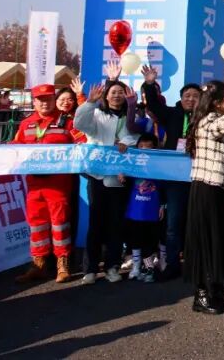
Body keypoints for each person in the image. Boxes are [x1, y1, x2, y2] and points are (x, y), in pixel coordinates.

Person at [183, 80, 224, 314]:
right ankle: (201, 295)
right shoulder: (208, 121)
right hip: (206, 189)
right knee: (205, 241)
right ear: (217, 103)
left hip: (219, 188)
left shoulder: (216, 121)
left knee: (218, 240)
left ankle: (216, 290)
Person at [74, 65, 141, 285]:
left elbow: (134, 136)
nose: (117, 95)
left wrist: (125, 142)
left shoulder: (129, 117)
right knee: (95, 224)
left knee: (115, 224)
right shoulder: (96, 113)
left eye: (121, 92)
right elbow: (79, 124)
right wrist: (89, 102)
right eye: (113, 92)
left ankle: (112, 266)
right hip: (97, 176)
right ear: (106, 95)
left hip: (119, 177)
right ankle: (91, 269)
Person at [140, 64, 204, 280]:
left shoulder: (205, 118)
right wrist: (150, 84)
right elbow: (153, 106)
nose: (191, 99)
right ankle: (173, 264)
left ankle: (196, 264)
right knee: (173, 223)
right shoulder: (172, 114)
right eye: (187, 96)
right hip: (175, 178)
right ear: (181, 98)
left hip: (198, 175)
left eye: (195, 96)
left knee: (197, 221)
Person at [12, 83, 77, 284]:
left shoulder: (68, 122)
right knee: (36, 224)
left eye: (48, 99)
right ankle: (38, 264)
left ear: (53, 100)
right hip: (34, 184)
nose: (44, 103)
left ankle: (62, 263)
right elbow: (15, 147)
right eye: (40, 100)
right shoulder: (26, 124)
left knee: (60, 223)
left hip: (59, 184)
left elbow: (82, 144)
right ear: (34, 102)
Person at [123, 133, 164, 283]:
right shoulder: (132, 162)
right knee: (135, 238)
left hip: (151, 209)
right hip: (135, 209)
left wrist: (162, 205)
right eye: (141, 146)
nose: (144, 150)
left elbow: (163, 187)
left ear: (155, 148)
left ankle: (149, 268)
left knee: (149, 240)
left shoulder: (160, 166)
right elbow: (126, 182)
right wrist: (123, 178)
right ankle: (136, 266)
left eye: (148, 147)